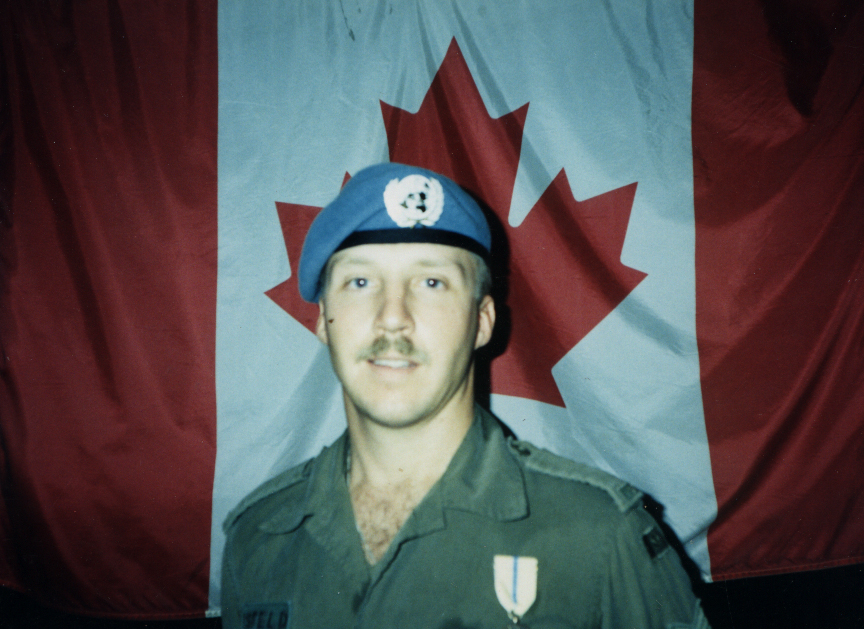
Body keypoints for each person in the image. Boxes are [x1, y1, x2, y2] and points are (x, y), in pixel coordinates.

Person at [221, 163, 710, 629]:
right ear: (323, 319)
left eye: (431, 282)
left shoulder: (599, 534)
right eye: (361, 281)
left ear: (482, 322)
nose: (393, 316)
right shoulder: (259, 537)